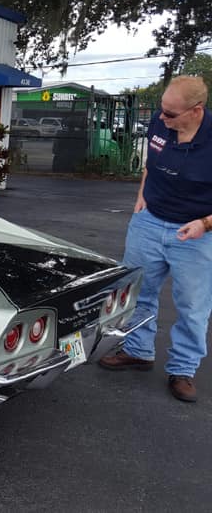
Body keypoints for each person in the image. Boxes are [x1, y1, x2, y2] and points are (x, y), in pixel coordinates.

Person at [99, 76, 212, 403]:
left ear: (196, 111)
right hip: (148, 223)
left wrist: (205, 224)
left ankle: (183, 369)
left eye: (171, 114)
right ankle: (138, 350)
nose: (162, 118)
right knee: (137, 291)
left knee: (192, 306)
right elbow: (151, 163)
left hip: (195, 233)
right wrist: (141, 196)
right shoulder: (160, 123)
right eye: (162, 110)